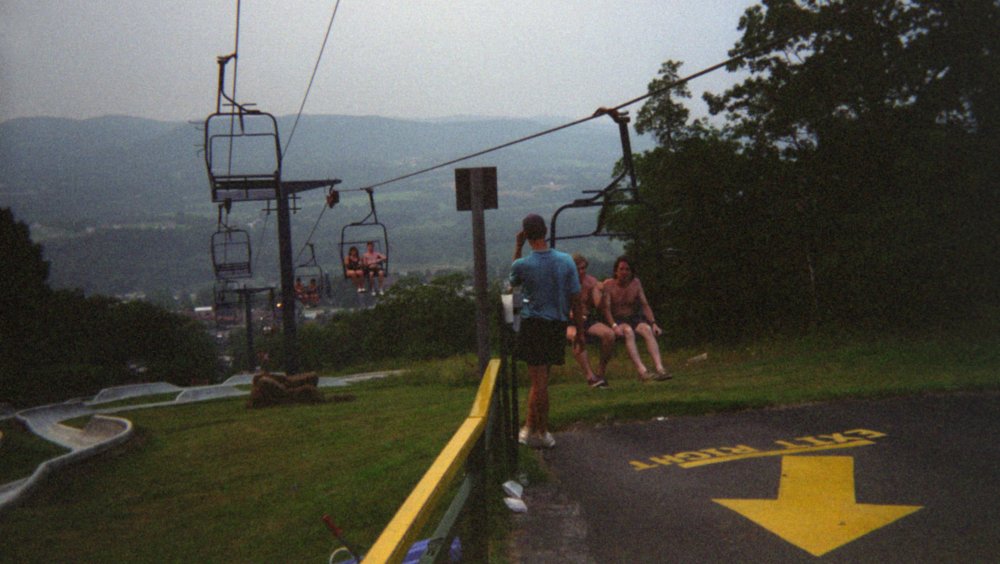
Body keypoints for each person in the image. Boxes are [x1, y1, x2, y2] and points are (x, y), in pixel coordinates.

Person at [510, 213, 585, 449]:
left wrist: (517, 246)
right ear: (546, 232)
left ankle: (538, 430)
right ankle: (532, 428)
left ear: (527, 235)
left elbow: (514, 283)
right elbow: (576, 298)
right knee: (541, 381)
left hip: (533, 324)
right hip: (557, 324)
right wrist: (580, 332)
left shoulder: (522, 263)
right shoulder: (566, 261)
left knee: (539, 382)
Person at [602, 255, 671, 381]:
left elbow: (645, 304)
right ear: (615, 271)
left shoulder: (636, 283)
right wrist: (613, 325)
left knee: (647, 329)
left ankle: (660, 368)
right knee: (628, 331)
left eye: (627, 269)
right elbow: (606, 309)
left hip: (633, 317)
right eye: (621, 269)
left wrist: (653, 323)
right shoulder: (608, 285)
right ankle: (642, 370)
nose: (624, 272)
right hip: (617, 319)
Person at [566, 254, 615, 388]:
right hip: (568, 321)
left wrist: (604, 291)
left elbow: (599, 305)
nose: (581, 272)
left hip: (586, 319)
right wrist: (572, 314)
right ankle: (590, 376)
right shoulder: (563, 282)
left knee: (609, 334)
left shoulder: (590, 282)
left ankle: (601, 372)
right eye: (578, 269)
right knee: (576, 336)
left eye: (583, 268)